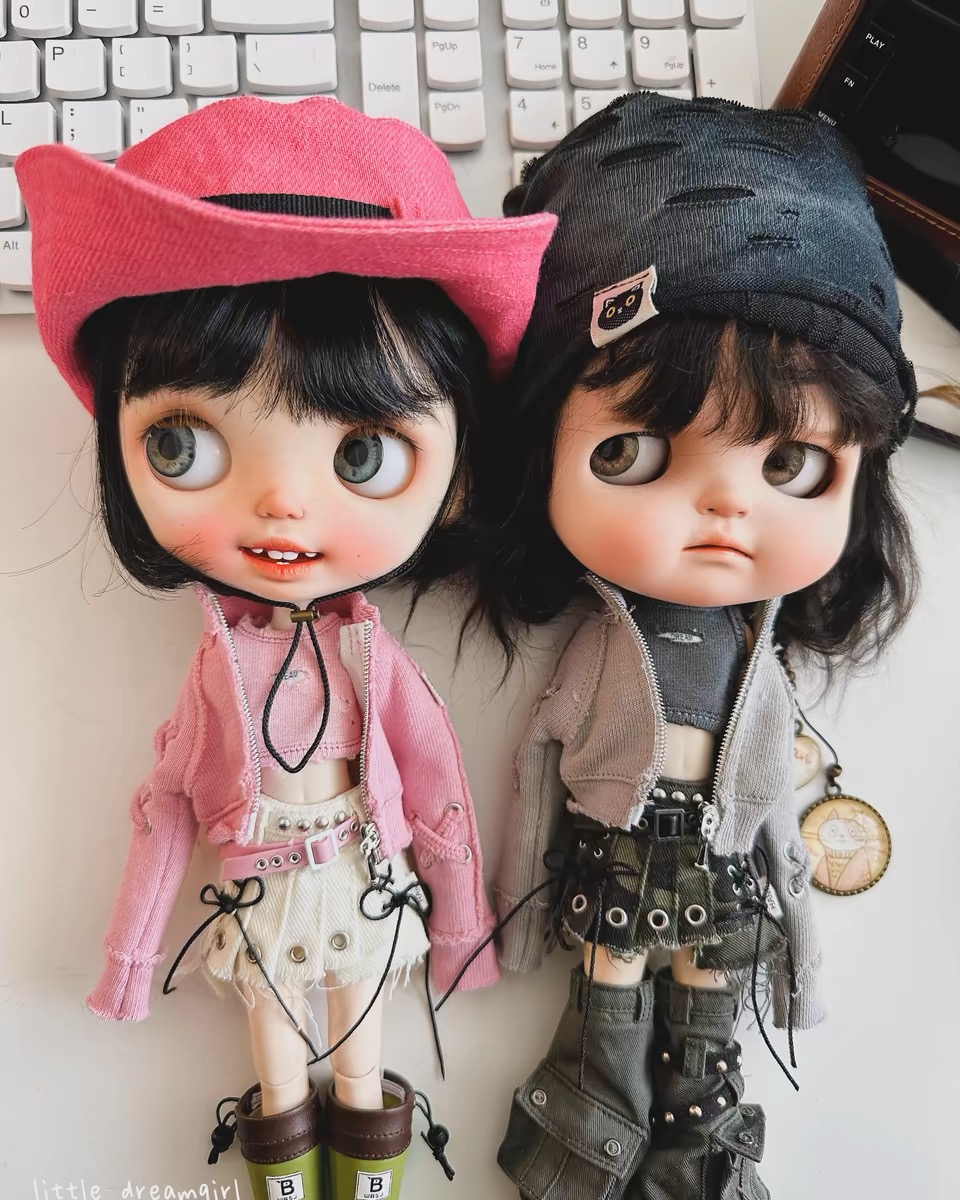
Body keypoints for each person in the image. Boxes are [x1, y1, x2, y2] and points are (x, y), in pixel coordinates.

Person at [15, 96, 555, 1200]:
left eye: (364, 456)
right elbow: (166, 807)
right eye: (183, 445)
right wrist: (130, 958)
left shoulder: (372, 661)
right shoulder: (219, 669)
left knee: (359, 1055)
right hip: (263, 881)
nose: (283, 508)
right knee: (273, 1065)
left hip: (357, 878)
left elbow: (440, 795)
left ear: (457, 474)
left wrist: (463, 934)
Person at [474, 93, 917, 1200]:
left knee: (710, 1014)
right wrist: (510, 920)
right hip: (623, 862)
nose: (725, 513)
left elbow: (779, 834)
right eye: (632, 453)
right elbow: (533, 772)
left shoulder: (757, 670)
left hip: (715, 870)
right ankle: (588, 1150)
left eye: (791, 467)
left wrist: (803, 964)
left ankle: (697, 1163)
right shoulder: (605, 648)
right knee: (606, 1005)